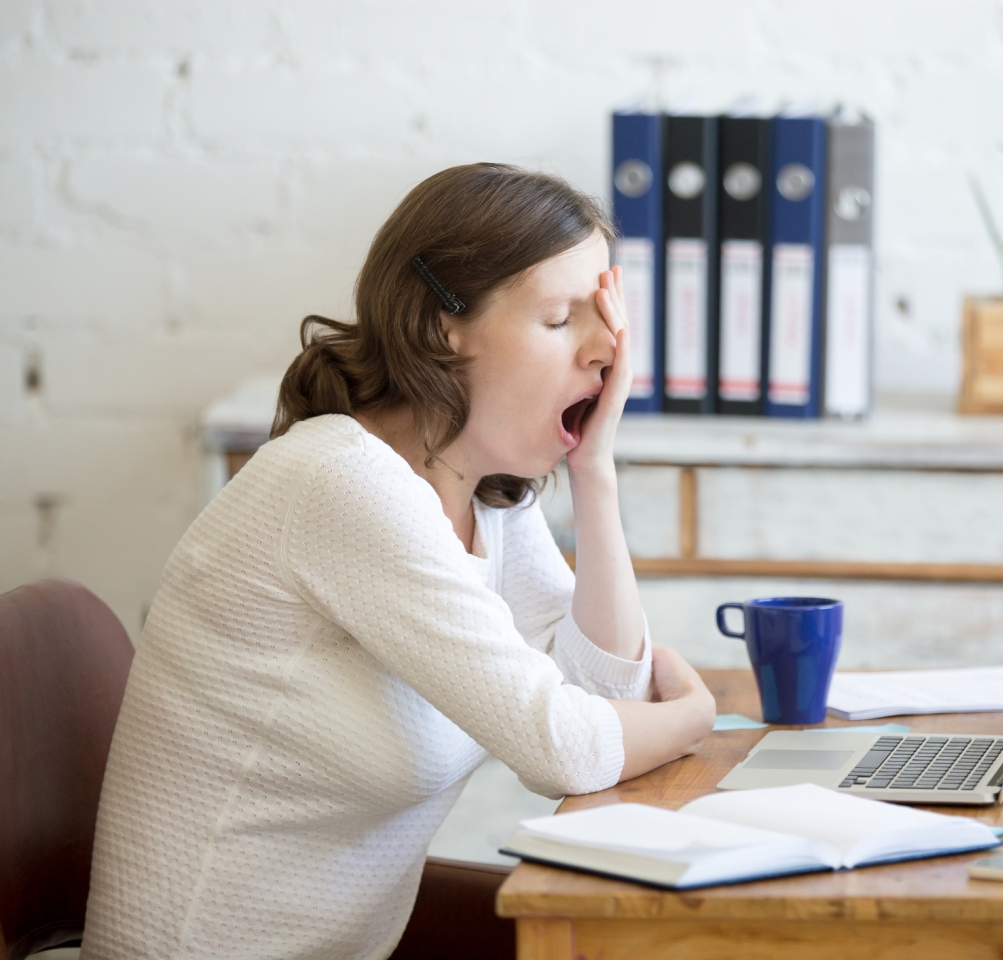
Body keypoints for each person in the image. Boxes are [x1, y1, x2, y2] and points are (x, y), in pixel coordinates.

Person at [82, 164, 717, 960]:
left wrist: (596, 473)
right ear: (440, 325)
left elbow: (600, 694)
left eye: (604, 317)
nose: (603, 351)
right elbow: (566, 748)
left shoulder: (483, 493)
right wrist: (696, 716)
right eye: (560, 318)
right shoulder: (343, 482)